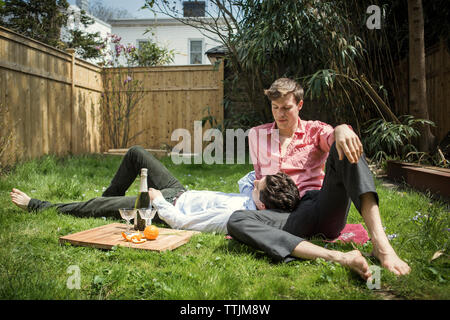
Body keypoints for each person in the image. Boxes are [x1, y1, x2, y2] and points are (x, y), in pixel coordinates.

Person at [227, 78, 411, 280]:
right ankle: (338, 257)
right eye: (275, 107)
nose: (280, 114)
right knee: (237, 220)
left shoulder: (315, 130)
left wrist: (342, 129)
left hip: (319, 207)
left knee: (347, 146)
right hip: (284, 216)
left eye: (286, 108)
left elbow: (333, 137)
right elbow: (262, 179)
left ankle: (381, 244)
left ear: (299, 105)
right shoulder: (257, 134)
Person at [10, 146, 300, 234]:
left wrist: (158, 201)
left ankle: (38, 205)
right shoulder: (255, 200)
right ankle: (111, 200)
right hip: (180, 191)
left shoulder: (234, 216)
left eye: (259, 186)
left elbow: (184, 224)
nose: (255, 182)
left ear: (261, 205)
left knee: (95, 208)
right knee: (136, 154)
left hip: (165, 208)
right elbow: (249, 181)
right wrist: (269, 182)